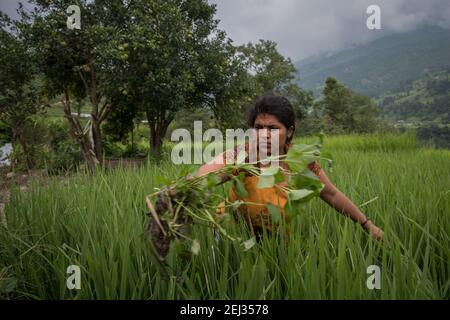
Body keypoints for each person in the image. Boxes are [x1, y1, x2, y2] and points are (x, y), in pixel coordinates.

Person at [197, 93, 384, 241]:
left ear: (289, 132)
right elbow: (207, 175)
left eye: (273, 128)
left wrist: (367, 224)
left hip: (275, 237)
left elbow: (330, 194)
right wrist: (178, 190)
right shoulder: (243, 155)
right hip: (233, 234)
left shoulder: (300, 162)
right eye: (258, 127)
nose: (264, 135)